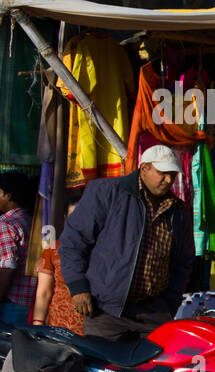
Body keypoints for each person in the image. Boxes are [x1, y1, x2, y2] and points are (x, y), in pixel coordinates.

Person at [59, 145, 194, 341]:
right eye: (162, 173)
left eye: (172, 175)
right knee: (103, 370)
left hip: (154, 314)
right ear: (144, 168)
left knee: (154, 371)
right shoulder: (107, 192)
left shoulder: (179, 211)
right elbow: (73, 242)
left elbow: (183, 262)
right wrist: (78, 287)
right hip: (106, 312)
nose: (168, 180)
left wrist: (170, 304)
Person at [30, 189, 85, 334]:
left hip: (93, 329)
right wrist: (38, 324)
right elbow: (44, 292)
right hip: (59, 327)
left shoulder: (102, 250)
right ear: (66, 218)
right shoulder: (53, 249)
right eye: (73, 218)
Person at [0, 171, 37, 327]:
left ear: (8, 195)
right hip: (30, 301)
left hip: (11, 303)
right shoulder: (32, 220)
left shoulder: (6, 224)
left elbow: (6, 269)